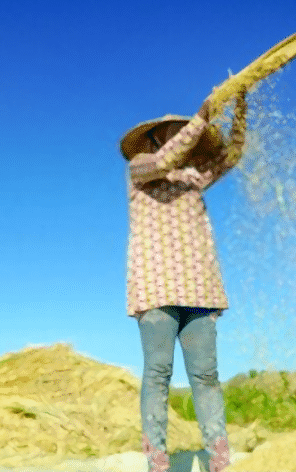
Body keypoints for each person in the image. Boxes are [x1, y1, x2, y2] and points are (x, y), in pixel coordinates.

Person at [119, 91, 248, 472]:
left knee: (206, 376)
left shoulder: (194, 178)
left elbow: (233, 155)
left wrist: (240, 109)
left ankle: (219, 458)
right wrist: (202, 116)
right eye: (176, 132)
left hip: (199, 287)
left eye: (186, 130)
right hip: (156, 287)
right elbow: (166, 159)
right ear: (158, 137)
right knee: (159, 373)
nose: (184, 137)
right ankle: (157, 460)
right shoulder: (142, 167)